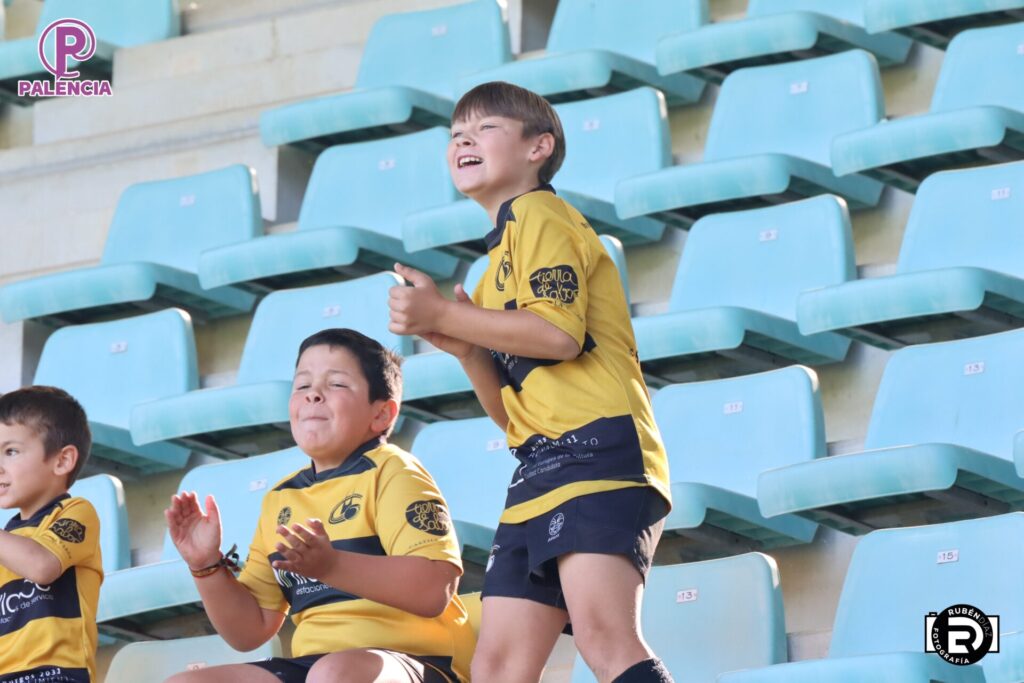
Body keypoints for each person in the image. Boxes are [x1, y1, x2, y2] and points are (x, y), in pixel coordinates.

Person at [388, 81, 673, 683]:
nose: (464, 140)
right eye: (456, 134)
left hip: (598, 449)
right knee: (497, 667)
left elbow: (558, 335)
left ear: (538, 147)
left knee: (605, 637)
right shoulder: (489, 273)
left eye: (485, 128)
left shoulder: (540, 214)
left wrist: (443, 315)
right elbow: (509, 415)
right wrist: (468, 350)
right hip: (538, 467)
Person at [165, 328, 474, 683]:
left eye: (337, 384)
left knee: (333, 673)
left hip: (419, 662)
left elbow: (433, 590)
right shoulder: (281, 498)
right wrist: (206, 566)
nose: (313, 394)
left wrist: (332, 565)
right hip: (317, 666)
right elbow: (249, 631)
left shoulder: (393, 470)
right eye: (302, 385)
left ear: (381, 415)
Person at [0, 386, 101, 683]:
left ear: (62, 461)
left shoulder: (75, 511)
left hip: (57, 676)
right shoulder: (7, 542)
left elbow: (42, 566)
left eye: (11, 451)